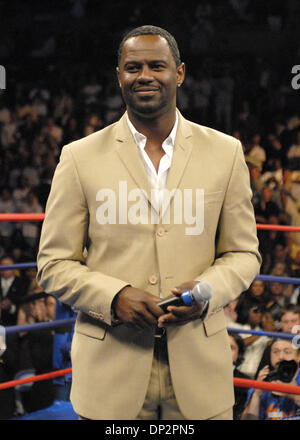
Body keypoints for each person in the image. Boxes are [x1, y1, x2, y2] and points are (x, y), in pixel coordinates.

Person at [37, 25, 261, 420]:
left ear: (179, 73)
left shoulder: (226, 153)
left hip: (198, 372)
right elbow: (53, 265)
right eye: (133, 67)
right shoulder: (79, 157)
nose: (144, 76)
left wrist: (208, 290)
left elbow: (243, 253)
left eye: (157, 65)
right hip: (111, 372)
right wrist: (113, 296)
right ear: (118, 75)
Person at [241, 339, 300, 420]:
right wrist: (256, 395)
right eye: (275, 352)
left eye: (287, 352)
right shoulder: (264, 379)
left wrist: (293, 395)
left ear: (298, 356)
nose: (281, 357)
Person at [228, 332, 251, 420]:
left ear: (238, 354)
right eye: (222, 346)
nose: (225, 351)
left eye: (231, 348)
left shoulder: (246, 383)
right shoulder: (199, 374)